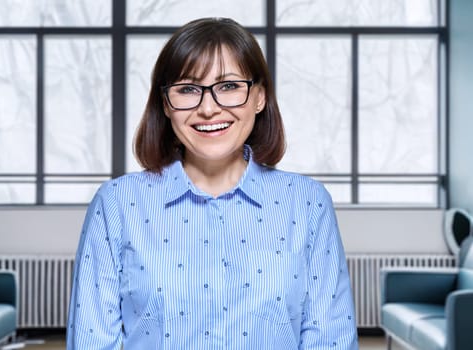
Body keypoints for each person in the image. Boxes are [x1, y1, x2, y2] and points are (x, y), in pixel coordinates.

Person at [67, 17, 358, 349]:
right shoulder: (117, 203)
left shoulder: (307, 202)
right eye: (188, 89)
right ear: (166, 104)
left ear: (259, 97)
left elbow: (330, 339)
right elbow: (92, 341)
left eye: (229, 87)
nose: (208, 108)